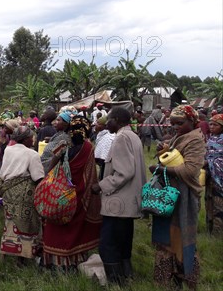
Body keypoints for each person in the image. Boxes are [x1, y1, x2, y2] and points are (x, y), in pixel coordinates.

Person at [149, 105, 206, 289]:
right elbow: (173, 157)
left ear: (192, 121)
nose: (174, 126)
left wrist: (162, 169)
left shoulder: (195, 140)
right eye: (172, 123)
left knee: (181, 239)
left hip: (184, 197)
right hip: (171, 195)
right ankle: (169, 276)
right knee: (167, 239)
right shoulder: (180, 136)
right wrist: (163, 151)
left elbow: (190, 170)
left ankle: (185, 275)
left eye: (179, 123)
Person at [91, 107, 146, 285]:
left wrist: (100, 186)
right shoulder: (133, 135)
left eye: (109, 120)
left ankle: (115, 283)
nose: (106, 123)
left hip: (118, 203)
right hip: (128, 201)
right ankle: (126, 276)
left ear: (116, 119)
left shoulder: (122, 138)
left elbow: (124, 172)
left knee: (108, 244)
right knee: (123, 242)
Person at [41, 116, 102, 271]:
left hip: (59, 192)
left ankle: (53, 259)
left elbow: (51, 166)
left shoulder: (63, 145)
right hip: (78, 194)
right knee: (74, 225)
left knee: (55, 223)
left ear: (70, 130)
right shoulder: (88, 148)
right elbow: (91, 175)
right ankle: (73, 259)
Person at [0, 126, 44, 263]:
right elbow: (38, 178)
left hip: (8, 192)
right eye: (31, 137)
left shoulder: (8, 150)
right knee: (27, 224)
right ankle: (24, 257)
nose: (33, 140)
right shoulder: (32, 154)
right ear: (26, 139)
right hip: (25, 194)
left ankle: (8, 252)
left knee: (10, 222)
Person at [40, 107, 75, 173]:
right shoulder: (60, 134)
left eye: (58, 120)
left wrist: (48, 172)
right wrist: (51, 139)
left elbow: (56, 155)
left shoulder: (65, 138)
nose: (55, 122)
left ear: (66, 123)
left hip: (49, 169)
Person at [205, 114, 223, 234]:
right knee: (208, 200)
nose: (212, 127)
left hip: (220, 178)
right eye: (210, 124)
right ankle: (209, 229)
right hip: (209, 176)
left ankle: (218, 231)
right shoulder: (210, 138)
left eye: (215, 125)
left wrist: (209, 161)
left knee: (219, 204)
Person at [94, 117, 116, 181]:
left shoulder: (109, 137)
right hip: (102, 163)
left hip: (107, 164)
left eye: (98, 123)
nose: (96, 124)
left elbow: (105, 155)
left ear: (105, 126)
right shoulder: (102, 134)